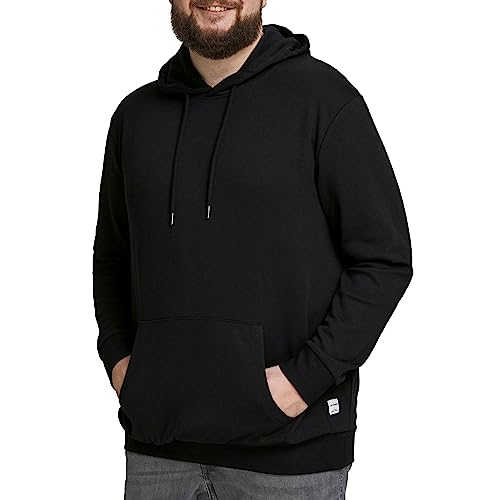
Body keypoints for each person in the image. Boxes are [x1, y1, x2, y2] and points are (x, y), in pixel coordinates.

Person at [92, 1, 413, 498]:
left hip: (290, 454)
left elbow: (384, 259)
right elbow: (113, 256)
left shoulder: (324, 100)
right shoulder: (135, 117)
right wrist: (121, 363)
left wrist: (305, 379)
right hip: (158, 451)